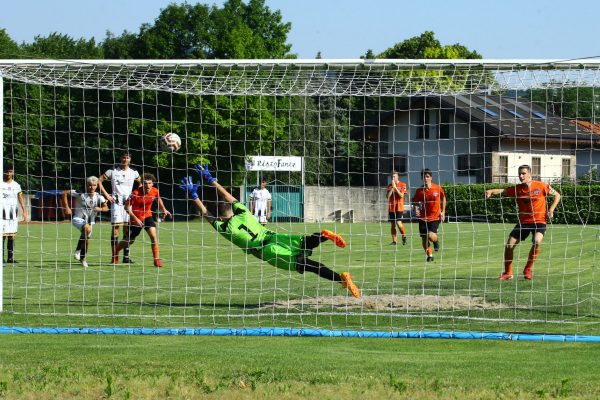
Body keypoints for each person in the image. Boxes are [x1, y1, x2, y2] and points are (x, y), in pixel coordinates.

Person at [179, 165, 361, 298]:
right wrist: (212, 180)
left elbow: (206, 214)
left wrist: (194, 196)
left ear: (220, 216)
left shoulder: (225, 229)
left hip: (268, 251)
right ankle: (322, 236)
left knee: (307, 265)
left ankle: (341, 279)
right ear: (231, 208)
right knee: (304, 242)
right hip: (272, 236)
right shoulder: (244, 213)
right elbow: (227, 196)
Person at [485, 165, 561, 281]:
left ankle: (528, 269)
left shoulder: (541, 186)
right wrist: (491, 191)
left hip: (539, 221)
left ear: (530, 174)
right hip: (524, 222)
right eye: (519, 174)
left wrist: (551, 209)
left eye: (523, 173)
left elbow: (557, 195)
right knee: (509, 245)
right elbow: (503, 191)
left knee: (536, 241)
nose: (521, 176)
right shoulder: (518, 189)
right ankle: (508, 273)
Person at [113, 173, 171, 267]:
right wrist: (135, 219)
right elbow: (126, 207)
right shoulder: (135, 193)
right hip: (135, 219)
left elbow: (158, 199)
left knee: (154, 237)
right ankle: (116, 251)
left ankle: (156, 260)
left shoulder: (155, 191)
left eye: (149, 183)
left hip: (148, 216)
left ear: (153, 184)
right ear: (142, 184)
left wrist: (164, 209)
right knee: (129, 241)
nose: (147, 185)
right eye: (145, 183)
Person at [99, 151, 141, 264]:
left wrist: (135, 195)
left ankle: (126, 257)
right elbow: (99, 181)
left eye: (127, 158)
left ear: (130, 160)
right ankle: (114, 257)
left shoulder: (134, 172)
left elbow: (141, 183)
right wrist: (107, 195)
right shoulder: (112, 171)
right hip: (116, 203)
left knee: (127, 229)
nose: (125, 159)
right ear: (120, 158)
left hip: (128, 203)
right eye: (123, 157)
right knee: (116, 230)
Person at [62, 176, 109, 268]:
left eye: (94, 185)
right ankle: (78, 252)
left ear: (96, 186)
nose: (92, 187)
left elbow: (106, 208)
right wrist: (66, 207)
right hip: (78, 219)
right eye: (90, 185)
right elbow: (64, 193)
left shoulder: (99, 197)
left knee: (86, 238)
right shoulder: (80, 194)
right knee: (86, 228)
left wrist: (100, 208)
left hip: (90, 221)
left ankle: (82, 258)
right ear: (86, 185)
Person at [412, 168, 446, 262]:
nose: (425, 178)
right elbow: (415, 202)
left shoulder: (437, 188)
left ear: (431, 177)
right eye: (424, 177)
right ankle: (430, 256)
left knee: (430, 235)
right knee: (424, 239)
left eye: (427, 176)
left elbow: (444, 199)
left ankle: (436, 241)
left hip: (435, 217)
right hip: (423, 218)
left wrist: (443, 212)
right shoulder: (419, 191)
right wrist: (416, 209)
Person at [1, 165, 28, 263]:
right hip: (2, 214)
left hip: (13, 214)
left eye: (10, 172)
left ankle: (10, 258)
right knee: (2, 235)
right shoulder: (1, 183)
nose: (8, 174)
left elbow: (20, 197)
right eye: (7, 172)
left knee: (12, 235)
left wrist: (24, 210)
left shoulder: (16, 185)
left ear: (13, 173)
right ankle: (1, 258)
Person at [386, 170, 407, 245]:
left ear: (397, 176)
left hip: (399, 207)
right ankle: (394, 241)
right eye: (392, 176)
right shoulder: (389, 186)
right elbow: (387, 197)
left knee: (398, 223)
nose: (393, 178)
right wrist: (392, 188)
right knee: (393, 225)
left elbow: (401, 195)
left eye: (394, 176)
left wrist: (395, 188)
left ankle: (404, 236)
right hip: (391, 208)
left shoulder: (402, 184)